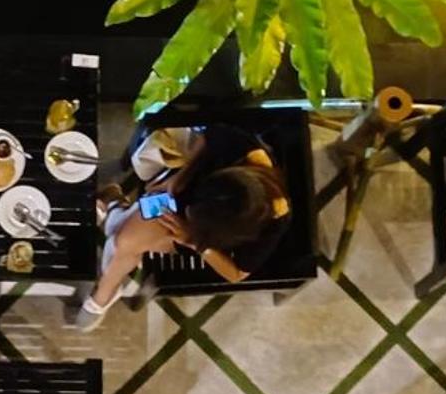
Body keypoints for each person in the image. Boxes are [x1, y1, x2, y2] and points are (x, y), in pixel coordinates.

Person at [73, 124, 291, 330]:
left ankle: (105, 288)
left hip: (198, 239)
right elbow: (208, 136)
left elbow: (237, 273)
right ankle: (114, 210)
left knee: (123, 241)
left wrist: (192, 241)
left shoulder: (275, 219)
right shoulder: (244, 150)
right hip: (182, 196)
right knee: (123, 239)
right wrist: (180, 178)